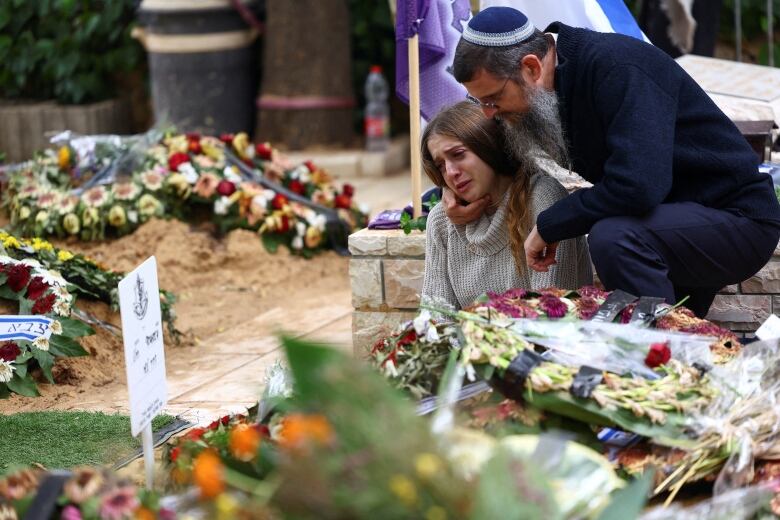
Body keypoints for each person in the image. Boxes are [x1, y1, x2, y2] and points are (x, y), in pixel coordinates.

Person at [447, 6, 780, 317]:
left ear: (531, 67)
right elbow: (493, 157)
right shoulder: (545, 89)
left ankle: (660, 362)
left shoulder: (617, 66)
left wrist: (551, 224)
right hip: (670, 225)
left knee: (614, 237)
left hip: (737, 220)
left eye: (492, 99)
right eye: (479, 101)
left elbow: (638, 186)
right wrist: (451, 188)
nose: (489, 114)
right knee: (681, 338)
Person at [420, 101, 592, 309]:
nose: (451, 172)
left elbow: (552, 314)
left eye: (458, 154)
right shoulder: (441, 219)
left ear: (487, 146)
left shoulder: (543, 198)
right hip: (469, 340)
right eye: (440, 165)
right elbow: (436, 315)